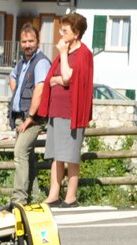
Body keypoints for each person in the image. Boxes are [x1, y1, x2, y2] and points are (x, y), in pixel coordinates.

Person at [34, 11, 92, 208]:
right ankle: (53, 195)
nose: (61, 33)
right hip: (56, 110)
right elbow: (52, 79)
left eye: (65, 30)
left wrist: (62, 55)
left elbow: (66, 78)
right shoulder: (66, 52)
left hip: (72, 111)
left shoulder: (83, 54)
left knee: (71, 156)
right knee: (56, 155)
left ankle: (71, 197)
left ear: (75, 33)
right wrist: (56, 79)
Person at [7, 23, 50, 205]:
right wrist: (18, 92)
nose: (27, 45)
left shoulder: (40, 62)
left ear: (37, 42)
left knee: (20, 152)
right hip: (21, 117)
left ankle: (19, 198)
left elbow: (40, 90)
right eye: (24, 41)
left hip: (33, 119)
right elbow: (11, 77)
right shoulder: (22, 63)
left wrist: (31, 117)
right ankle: (35, 196)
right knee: (28, 157)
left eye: (31, 41)